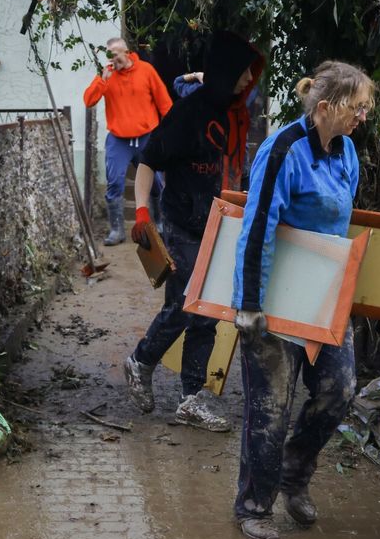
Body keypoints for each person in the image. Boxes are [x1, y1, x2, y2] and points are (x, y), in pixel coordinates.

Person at [230, 61, 375, 539]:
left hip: (322, 296)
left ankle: (294, 473)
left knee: (340, 389)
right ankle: (254, 506)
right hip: (273, 299)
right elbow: (257, 227)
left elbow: (341, 228)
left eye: (366, 107)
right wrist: (248, 304)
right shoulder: (284, 149)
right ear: (327, 107)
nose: (363, 115)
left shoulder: (347, 150)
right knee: (270, 406)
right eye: (357, 107)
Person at [122, 31, 264, 431]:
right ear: (222, 72)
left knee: (208, 314)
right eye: (241, 74)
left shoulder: (237, 114)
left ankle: (190, 398)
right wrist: (143, 214)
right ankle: (141, 361)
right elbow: (148, 162)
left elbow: (236, 170)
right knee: (186, 304)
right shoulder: (188, 115)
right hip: (182, 223)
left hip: (220, 226)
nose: (246, 82)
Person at [83, 37, 173, 245]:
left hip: (147, 137)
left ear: (127, 51)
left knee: (157, 184)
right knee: (114, 181)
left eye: (116, 54)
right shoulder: (106, 75)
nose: (114, 60)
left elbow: (165, 103)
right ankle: (117, 230)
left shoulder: (146, 71)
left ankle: (159, 224)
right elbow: (89, 101)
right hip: (118, 139)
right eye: (110, 56)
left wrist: (166, 133)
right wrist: (101, 79)